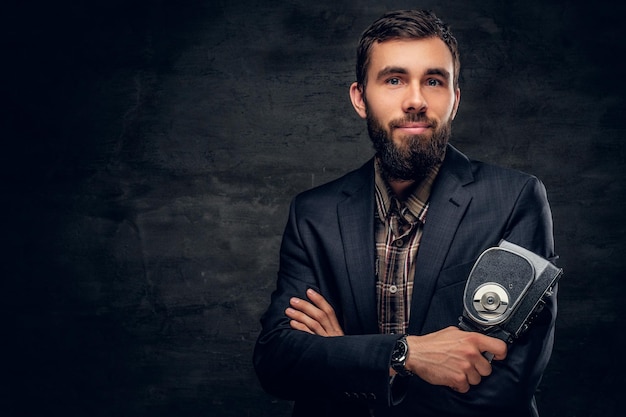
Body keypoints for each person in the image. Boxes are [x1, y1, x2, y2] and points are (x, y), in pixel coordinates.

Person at [253, 9, 557, 417]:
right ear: (360, 98)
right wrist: (405, 355)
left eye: (434, 81)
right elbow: (278, 363)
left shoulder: (515, 200)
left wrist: (345, 356)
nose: (415, 100)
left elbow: (507, 386)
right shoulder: (313, 215)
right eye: (394, 80)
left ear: (455, 99)